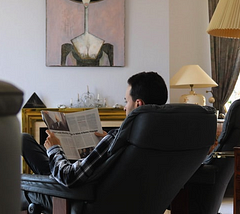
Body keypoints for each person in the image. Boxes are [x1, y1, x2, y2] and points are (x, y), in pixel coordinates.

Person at [21, 71, 168, 213]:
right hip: (126, 202)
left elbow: (69, 177)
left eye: (126, 101)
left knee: (22, 186)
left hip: (80, 200)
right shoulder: (166, 140)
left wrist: (54, 149)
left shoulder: (121, 137)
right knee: (25, 140)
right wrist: (108, 144)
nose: (124, 107)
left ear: (138, 104)